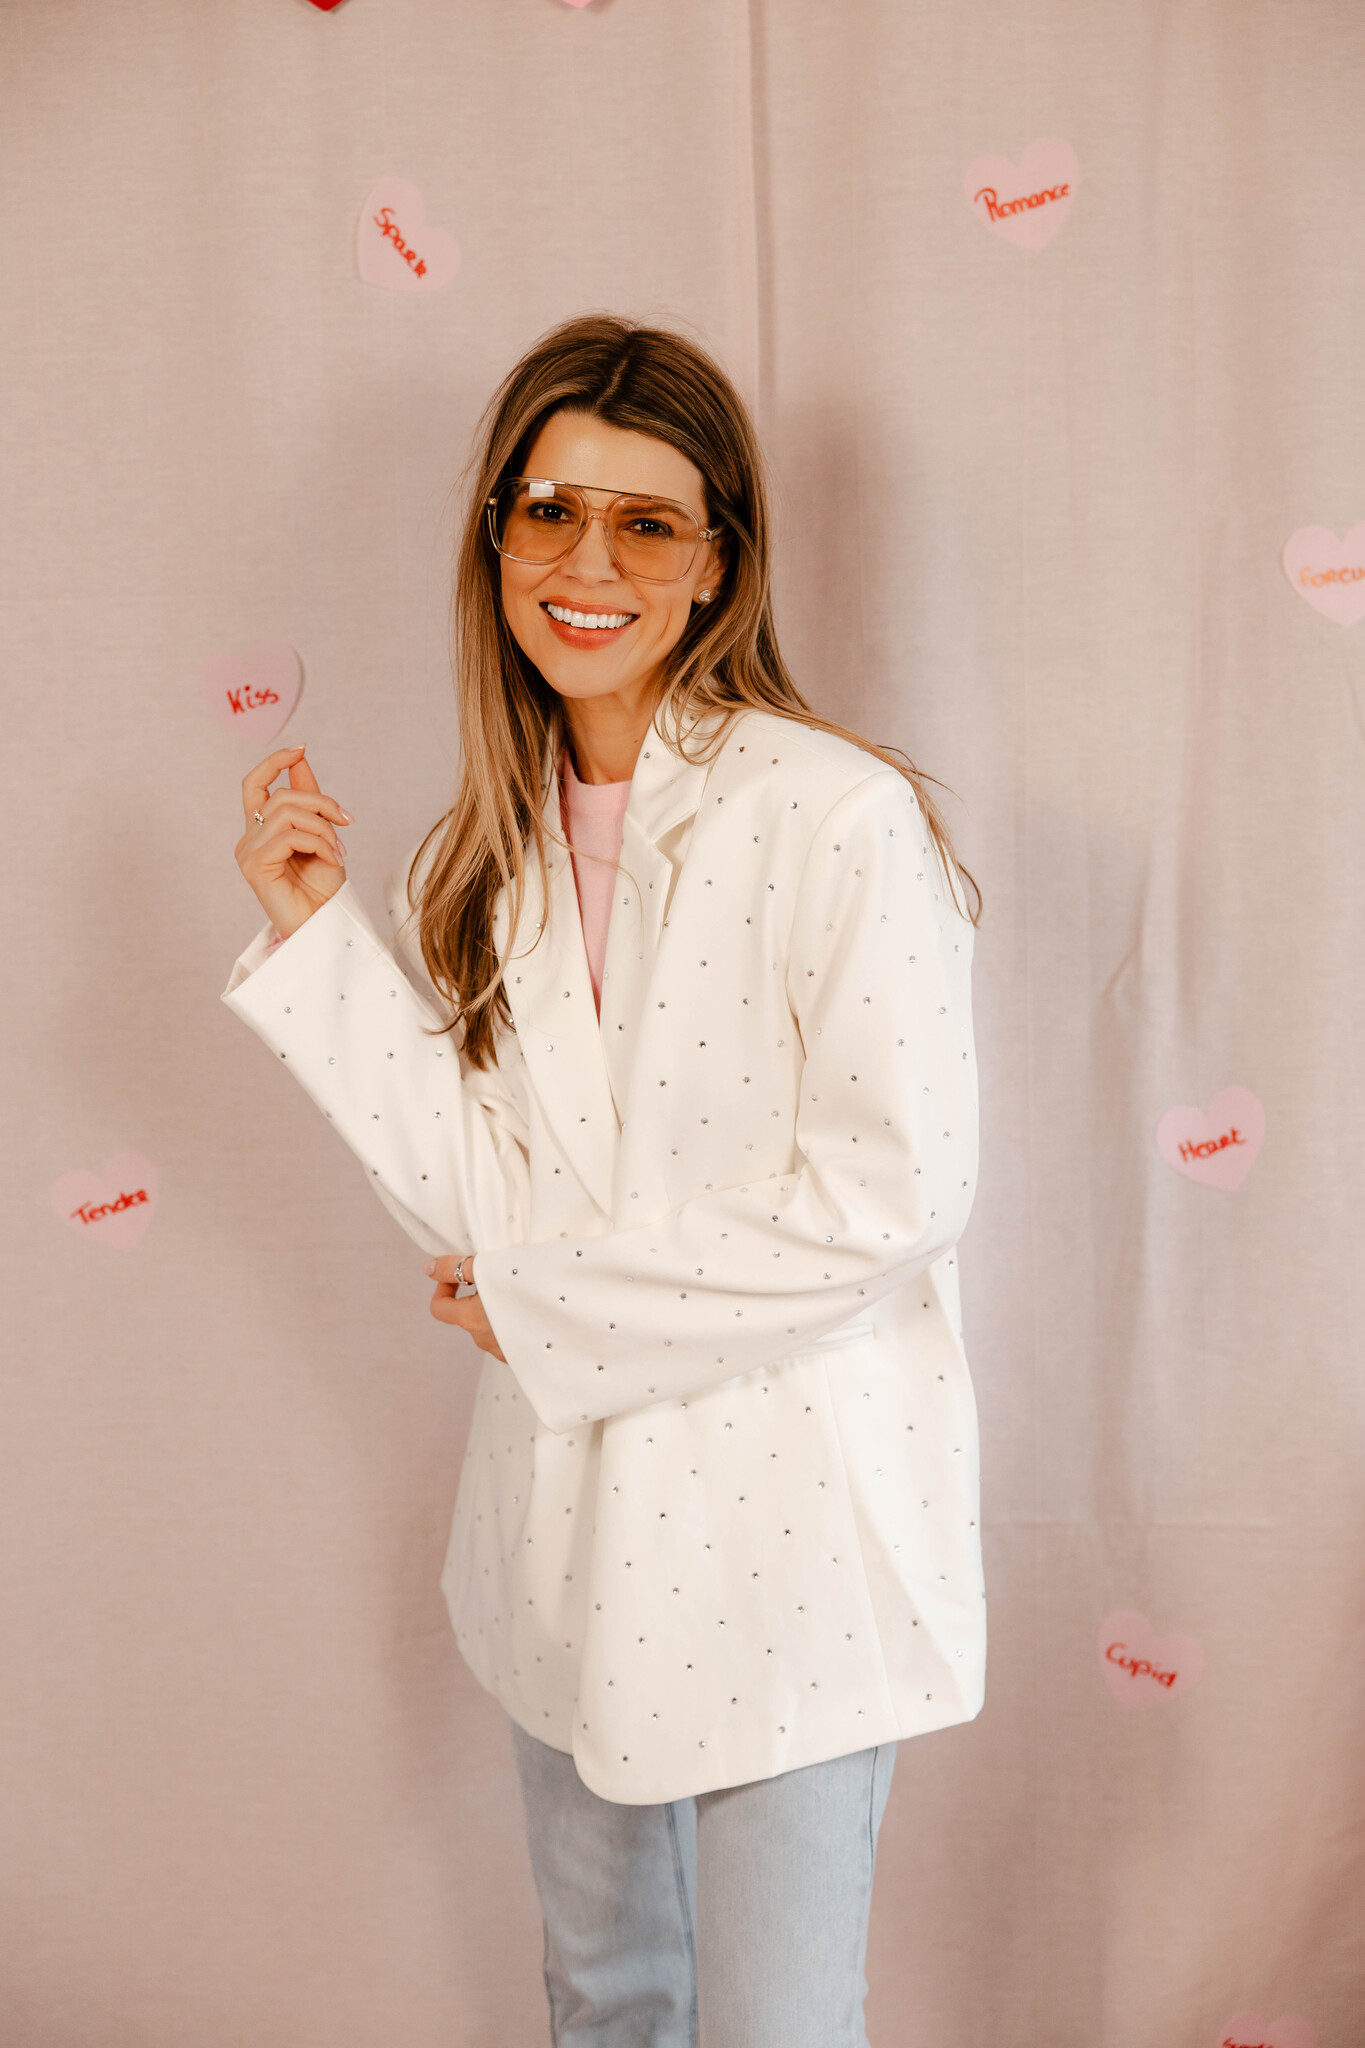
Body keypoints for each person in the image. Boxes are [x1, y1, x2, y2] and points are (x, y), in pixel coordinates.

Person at [222, 313, 985, 2048]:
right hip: (563, 1533)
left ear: (717, 563)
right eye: (549, 510)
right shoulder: (473, 859)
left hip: (785, 1540)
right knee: (606, 2000)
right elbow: (475, 1208)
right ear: (495, 534)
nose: (588, 564)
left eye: (647, 523)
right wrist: (315, 941)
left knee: (776, 2024)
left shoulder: (835, 819)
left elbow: (891, 1195)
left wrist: (544, 1304)